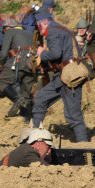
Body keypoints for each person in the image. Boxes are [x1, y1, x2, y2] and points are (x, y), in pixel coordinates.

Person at [32, 8, 88, 142]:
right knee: (40, 98)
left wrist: (41, 53)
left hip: (68, 78)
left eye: (38, 23)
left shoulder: (52, 32)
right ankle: (35, 135)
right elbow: (61, 56)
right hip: (62, 77)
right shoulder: (59, 29)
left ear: (44, 21)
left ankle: (85, 148)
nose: (36, 26)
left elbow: (56, 54)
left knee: (74, 116)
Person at [0, 18, 36, 122]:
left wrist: (1, 65)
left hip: (18, 61)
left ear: (7, 28)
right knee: (25, 91)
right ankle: (27, 118)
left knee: (0, 82)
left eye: (4, 30)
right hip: (32, 64)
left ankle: (17, 100)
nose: (4, 32)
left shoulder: (10, 32)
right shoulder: (28, 33)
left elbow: (4, 53)